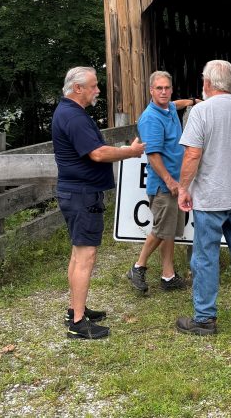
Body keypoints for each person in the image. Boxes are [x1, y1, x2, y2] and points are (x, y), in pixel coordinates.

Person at [52, 66, 145, 340]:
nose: (97, 90)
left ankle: (74, 309)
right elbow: (98, 153)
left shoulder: (68, 113)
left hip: (76, 192)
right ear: (77, 88)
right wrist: (131, 151)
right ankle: (78, 324)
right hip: (82, 194)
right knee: (85, 256)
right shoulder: (73, 116)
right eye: (93, 86)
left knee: (77, 252)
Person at [175, 60, 231, 336]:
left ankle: (205, 317)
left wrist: (183, 188)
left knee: (206, 256)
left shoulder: (201, 112)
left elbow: (192, 154)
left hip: (211, 197)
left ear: (208, 83)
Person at [126, 71, 189, 295]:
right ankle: (138, 266)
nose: (163, 92)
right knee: (162, 230)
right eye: (159, 88)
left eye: (166, 88)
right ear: (151, 90)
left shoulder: (169, 107)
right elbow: (152, 155)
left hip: (176, 182)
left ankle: (168, 275)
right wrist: (170, 181)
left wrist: (192, 101)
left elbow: (176, 104)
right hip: (164, 184)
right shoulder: (151, 118)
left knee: (170, 230)